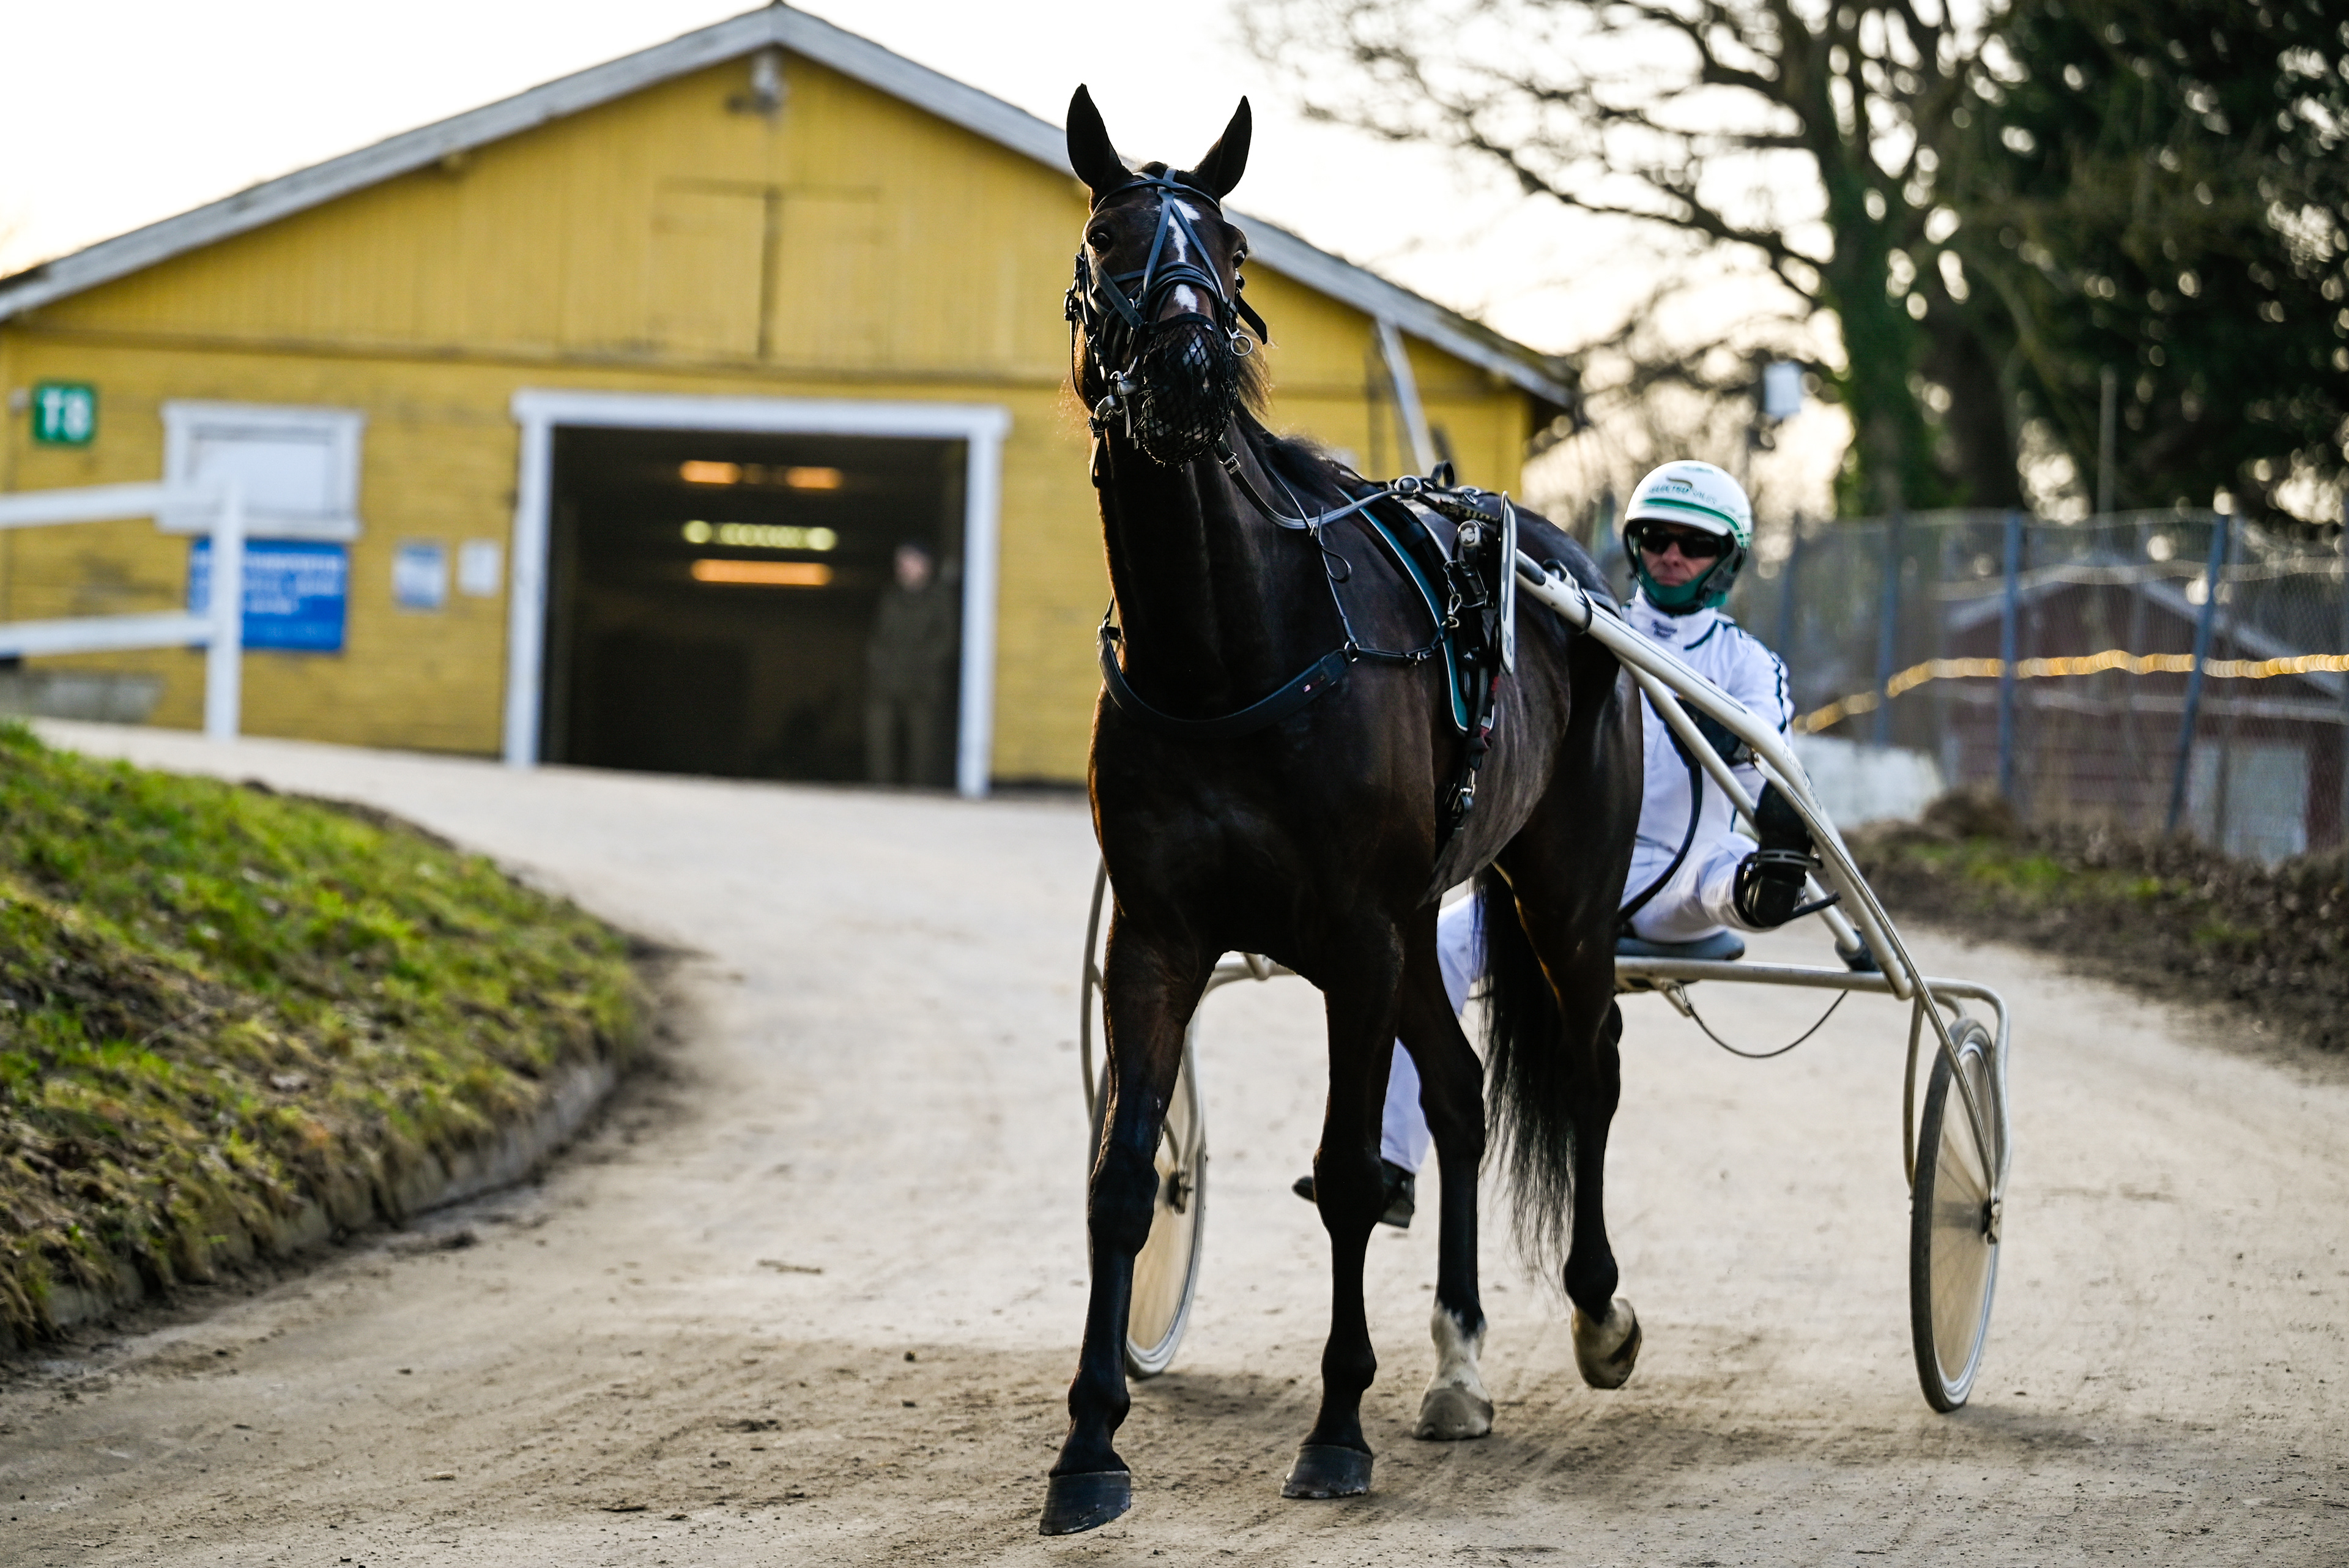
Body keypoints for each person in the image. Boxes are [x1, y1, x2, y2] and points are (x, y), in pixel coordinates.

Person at [1295, 459, 1820, 1227]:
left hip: (1676, 887)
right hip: (1550, 885)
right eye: (1658, 539)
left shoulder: (1746, 664)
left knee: (1726, 879)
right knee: (1428, 947)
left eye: (1695, 544)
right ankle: (1393, 1167)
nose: (1673, 556)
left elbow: (1775, 753)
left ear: (1727, 561)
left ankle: (1760, 890)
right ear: (1635, 546)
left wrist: (1756, 774)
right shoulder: (1583, 627)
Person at [864, 541, 959, 786]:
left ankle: (919, 793)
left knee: (922, 744)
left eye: (909, 562)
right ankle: (880, 788)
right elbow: (878, 636)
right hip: (887, 680)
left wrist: (924, 663)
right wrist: (878, 662)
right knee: (879, 735)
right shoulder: (890, 597)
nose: (903, 568)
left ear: (925, 566)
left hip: (923, 684)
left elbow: (947, 640)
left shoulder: (940, 599)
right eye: (901, 563)